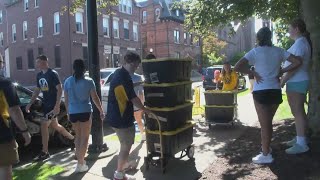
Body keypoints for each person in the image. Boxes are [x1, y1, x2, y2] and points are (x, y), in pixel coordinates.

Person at [234, 27, 302, 164]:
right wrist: (281, 70)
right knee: (268, 123)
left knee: (265, 126)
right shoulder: (279, 51)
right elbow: (298, 61)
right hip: (275, 91)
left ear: (258, 38)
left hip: (261, 92)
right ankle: (267, 149)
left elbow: (237, 67)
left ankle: (265, 154)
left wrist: (253, 73)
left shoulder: (254, 52)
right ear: (270, 37)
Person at [106, 51, 152, 180]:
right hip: (121, 118)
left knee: (123, 145)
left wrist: (137, 85)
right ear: (128, 62)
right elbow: (133, 98)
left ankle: (123, 167)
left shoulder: (118, 73)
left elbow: (125, 90)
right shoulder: (124, 77)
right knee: (126, 146)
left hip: (114, 116)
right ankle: (119, 174)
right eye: (135, 65)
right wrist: (144, 109)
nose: (136, 68)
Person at [25, 55, 74, 161]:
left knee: (44, 126)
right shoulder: (39, 75)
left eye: (38, 62)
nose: (37, 64)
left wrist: (57, 106)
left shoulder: (53, 74)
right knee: (56, 126)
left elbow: (59, 90)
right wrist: (29, 104)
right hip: (45, 105)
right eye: (37, 62)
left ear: (45, 62)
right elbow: (37, 91)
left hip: (53, 106)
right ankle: (73, 139)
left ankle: (45, 152)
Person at [64, 59, 105, 173]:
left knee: (78, 137)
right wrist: (101, 110)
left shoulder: (67, 81)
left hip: (73, 112)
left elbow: (66, 100)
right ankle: (80, 163)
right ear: (84, 68)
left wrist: (68, 113)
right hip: (85, 111)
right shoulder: (89, 81)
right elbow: (95, 98)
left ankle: (80, 161)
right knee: (85, 138)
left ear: (73, 68)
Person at [280, 18, 312, 154]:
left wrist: (282, 80)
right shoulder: (301, 42)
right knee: (298, 112)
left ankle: (301, 144)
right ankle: (302, 138)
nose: (288, 30)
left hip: (297, 80)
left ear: (297, 29)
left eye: (290, 28)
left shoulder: (300, 44)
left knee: (297, 112)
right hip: (297, 81)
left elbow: (295, 66)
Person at [0, 53, 32, 180]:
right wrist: (25, 131)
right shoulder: (5, 83)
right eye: (2, 62)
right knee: (4, 168)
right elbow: (14, 110)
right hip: (2, 135)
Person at [131, 73, 145, 142]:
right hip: (134, 103)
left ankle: (142, 135)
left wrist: (141, 104)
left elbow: (141, 93)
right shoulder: (138, 77)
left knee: (138, 120)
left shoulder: (138, 77)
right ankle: (142, 135)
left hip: (133, 103)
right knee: (138, 120)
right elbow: (141, 93)